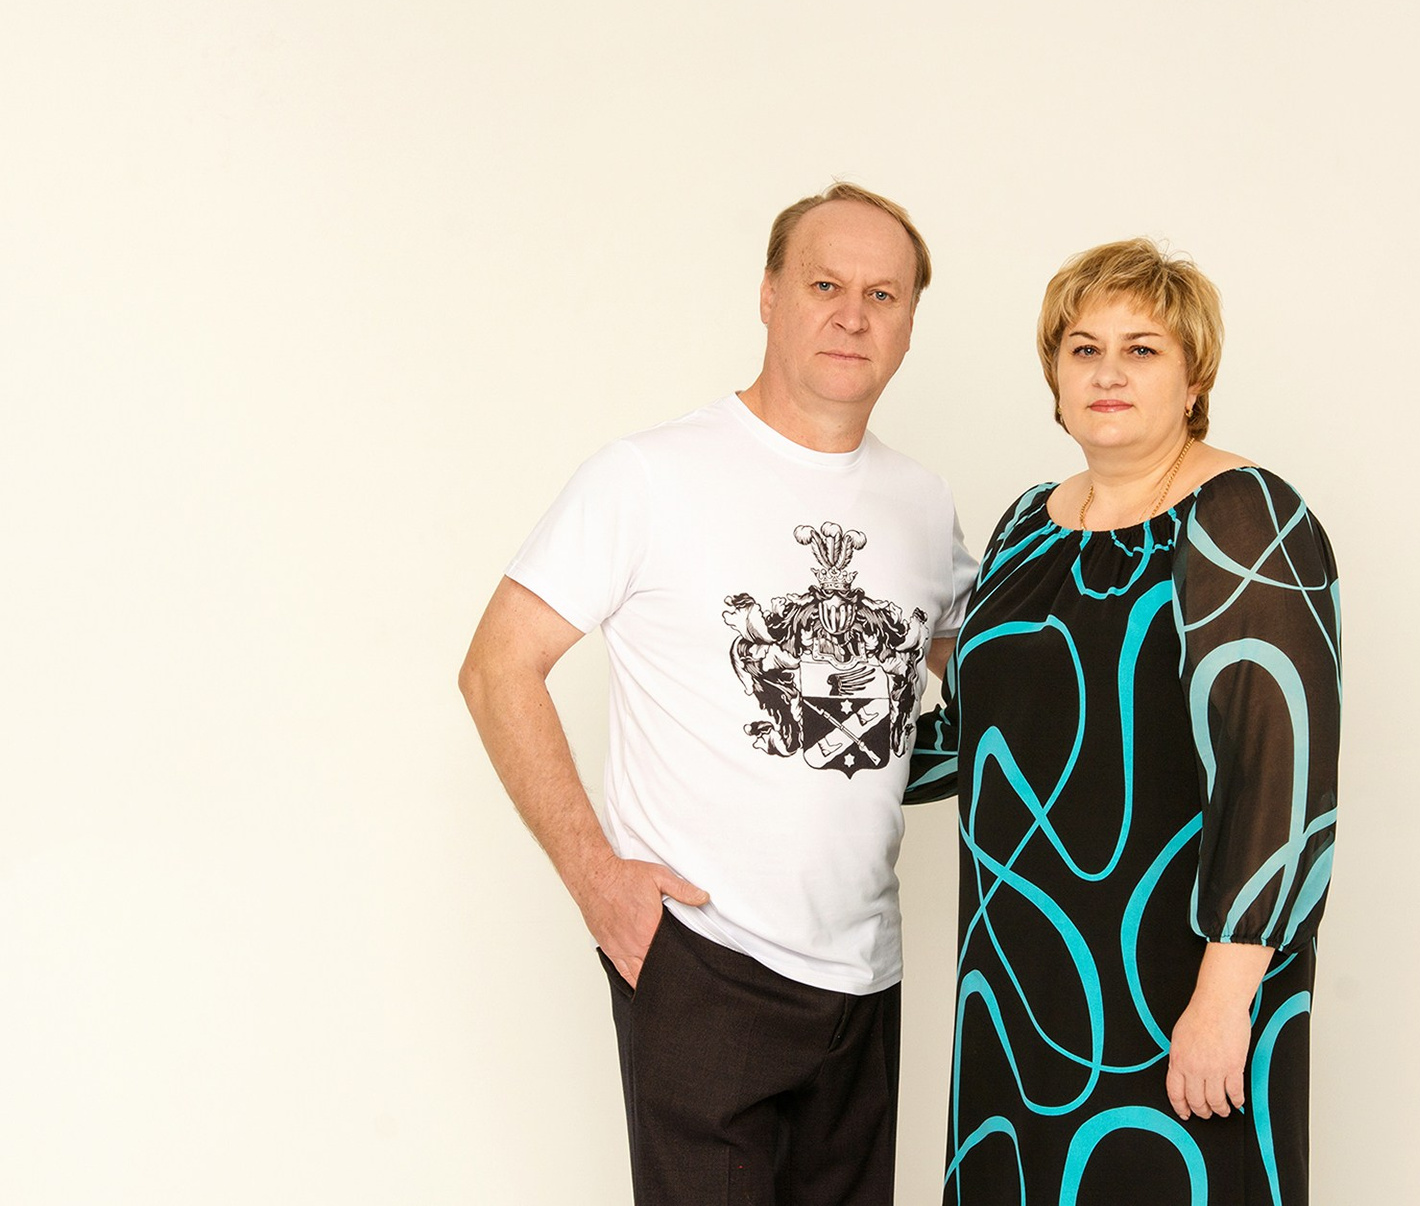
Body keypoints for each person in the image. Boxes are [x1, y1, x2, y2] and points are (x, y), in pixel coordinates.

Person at [459, 182, 975, 1205]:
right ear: (769, 295)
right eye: (825, 285)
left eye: (883, 294)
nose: (853, 315)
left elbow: (993, 684)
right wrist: (595, 878)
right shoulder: (649, 475)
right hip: (704, 959)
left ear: (911, 324)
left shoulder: (922, 505)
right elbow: (497, 666)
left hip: (865, 977)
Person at [906, 239, 1341, 1204]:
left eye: (1142, 350)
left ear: (1195, 379)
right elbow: (973, 736)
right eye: (1084, 349)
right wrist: (794, 759)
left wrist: (1223, 1000)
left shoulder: (1245, 515)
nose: (1108, 373)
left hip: (1171, 986)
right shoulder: (1027, 523)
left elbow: (1281, 777)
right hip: (1015, 987)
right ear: (1055, 378)